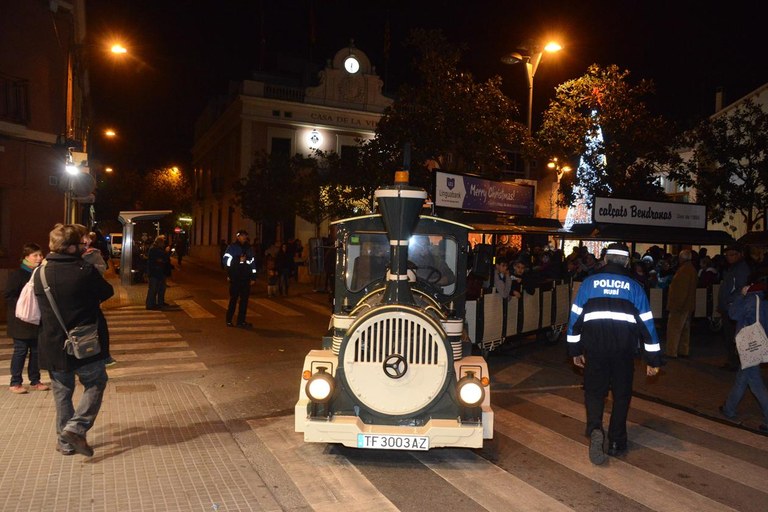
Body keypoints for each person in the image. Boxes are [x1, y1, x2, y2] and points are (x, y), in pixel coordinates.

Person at [567, 242, 663, 465]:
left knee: (594, 392)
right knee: (621, 395)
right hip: (623, 351)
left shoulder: (589, 283)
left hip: (595, 349)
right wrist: (653, 359)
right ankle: (616, 441)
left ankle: (595, 430)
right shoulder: (635, 287)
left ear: (606, 260)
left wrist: (575, 350)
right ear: (627, 262)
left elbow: (575, 319)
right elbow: (647, 326)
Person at [34, 223, 113, 457]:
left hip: (53, 344)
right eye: (81, 243)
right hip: (84, 342)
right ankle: (76, 428)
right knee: (96, 382)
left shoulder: (40, 271)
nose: (84, 246)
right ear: (70, 247)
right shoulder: (84, 270)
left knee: (62, 392)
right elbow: (107, 292)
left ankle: (66, 443)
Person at [720, 283, 768, 433]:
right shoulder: (764, 300)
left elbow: (733, 313)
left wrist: (741, 295)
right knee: (743, 377)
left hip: (749, 345)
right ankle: (729, 408)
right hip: (760, 342)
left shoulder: (751, 299)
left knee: (755, 383)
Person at [4, 243, 49, 394]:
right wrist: (24, 306)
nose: (39, 258)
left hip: (36, 319)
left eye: (40, 255)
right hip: (20, 321)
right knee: (20, 351)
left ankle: (35, 380)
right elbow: (8, 295)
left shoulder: (40, 273)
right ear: (26, 257)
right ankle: (15, 382)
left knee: (36, 351)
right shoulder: (18, 275)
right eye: (35, 255)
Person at [82, 233, 117, 366]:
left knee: (98, 326)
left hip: (89, 298)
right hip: (82, 300)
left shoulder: (93, 253)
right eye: (84, 238)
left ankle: (103, 356)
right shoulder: (84, 256)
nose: (88, 241)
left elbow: (102, 272)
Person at [718, 244, 752, 370]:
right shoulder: (733, 268)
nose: (728, 257)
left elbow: (740, 289)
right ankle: (733, 361)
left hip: (733, 308)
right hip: (730, 307)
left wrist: (729, 302)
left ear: (739, 255)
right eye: (727, 255)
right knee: (730, 336)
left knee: (733, 336)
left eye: (731, 254)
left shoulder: (740, 269)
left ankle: (735, 362)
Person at [665, 249, 697, 358]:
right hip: (688, 305)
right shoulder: (691, 269)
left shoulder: (683, 271)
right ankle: (683, 350)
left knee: (674, 329)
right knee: (685, 330)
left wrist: (676, 306)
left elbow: (681, 291)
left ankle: (671, 351)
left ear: (681, 258)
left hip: (679, 306)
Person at [222, 230, 257, 327]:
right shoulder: (232, 247)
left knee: (244, 301)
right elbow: (225, 261)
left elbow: (252, 263)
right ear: (238, 237)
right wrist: (238, 260)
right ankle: (229, 320)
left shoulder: (249, 248)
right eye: (242, 236)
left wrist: (253, 276)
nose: (244, 237)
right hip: (236, 277)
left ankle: (241, 321)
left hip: (246, 278)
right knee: (233, 299)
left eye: (245, 236)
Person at [145, 236, 171, 310]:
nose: (163, 244)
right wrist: (165, 253)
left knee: (159, 288)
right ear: (160, 242)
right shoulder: (154, 249)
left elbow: (164, 259)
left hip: (159, 272)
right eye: (162, 243)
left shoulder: (157, 249)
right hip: (155, 272)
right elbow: (161, 259)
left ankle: (158, 303)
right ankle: (150, 304)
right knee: (153, 289)